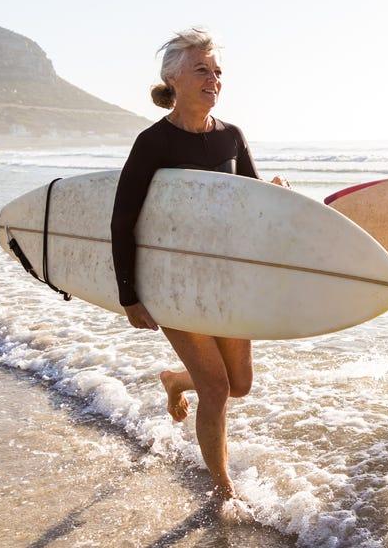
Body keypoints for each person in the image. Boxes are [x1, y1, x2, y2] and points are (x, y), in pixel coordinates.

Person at [110, 27, 286, 501]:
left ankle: (173, 379)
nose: (213, 79)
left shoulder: (232, 136)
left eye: (217, 71)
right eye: (201, 70)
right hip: (174, 283)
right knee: (216, 389)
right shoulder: (153, 142)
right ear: (174, 77)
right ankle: (222, 489)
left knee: (239, 385)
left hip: (226, 279)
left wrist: (277, 194)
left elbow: (252, 201)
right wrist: (130, 294)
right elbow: (123, 220)